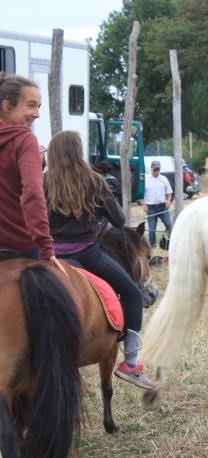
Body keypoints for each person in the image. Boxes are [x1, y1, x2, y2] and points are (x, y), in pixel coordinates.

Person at [45, 130, 153, 389]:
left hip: (51, 256)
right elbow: (118, 220)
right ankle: (131, 362)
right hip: (87, 254)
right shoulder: (94, 181)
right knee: (132, 293)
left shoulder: (44, 181)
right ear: (78, 151)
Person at [0, 73, 64, 273]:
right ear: (7, 106)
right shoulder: (25, 139)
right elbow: (33, 194)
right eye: (31, 105)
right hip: (20, 245)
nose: (37, 113)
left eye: (39, 106)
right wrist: (46, 247)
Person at [143, 160, 173, 248]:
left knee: (169, 225)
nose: (156, 171)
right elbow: (141, 195)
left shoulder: (164, 179)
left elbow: (169, 192)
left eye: (158, 169)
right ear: (151, 169)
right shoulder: (146, 179)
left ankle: (167, 240)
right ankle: (153, 245)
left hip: (163, 207)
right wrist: (143, 204)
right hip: (151, 208)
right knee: (152, 229)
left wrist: (168, 201)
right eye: (155, 169)